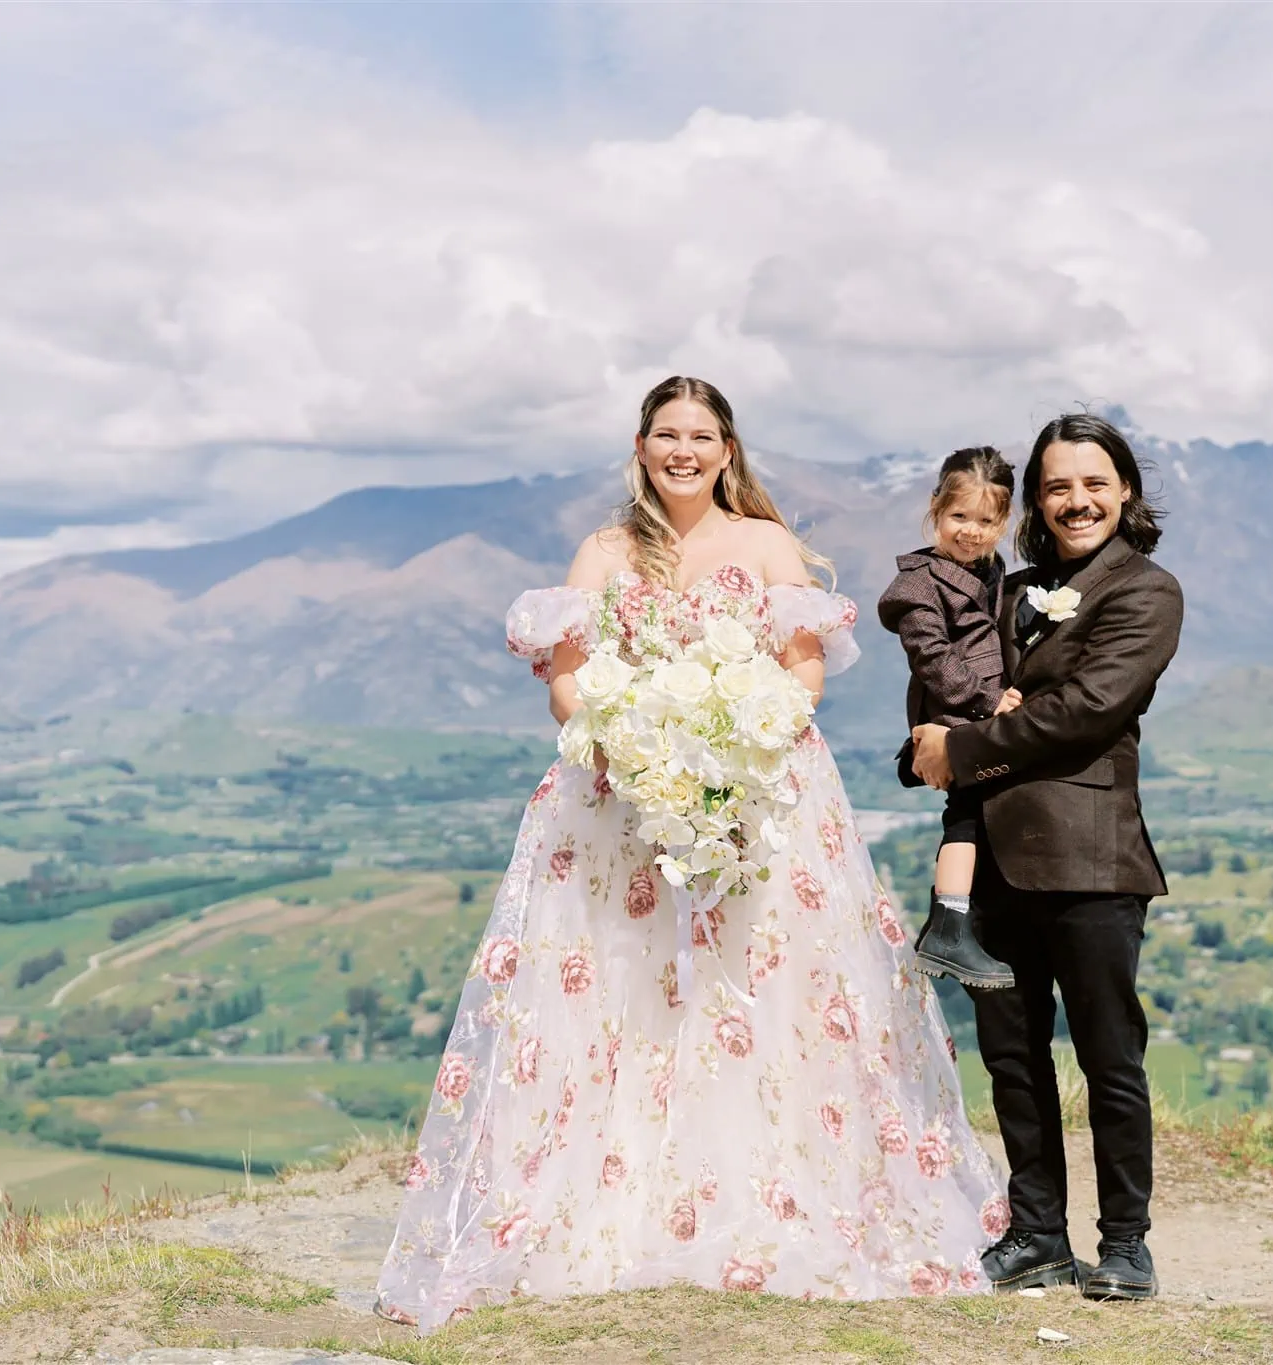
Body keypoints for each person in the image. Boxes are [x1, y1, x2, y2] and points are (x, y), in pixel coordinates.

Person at [376, 377, 1006, 1330]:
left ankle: (767, 1186)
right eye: (666, 434)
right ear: (639, 445)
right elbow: (566, 685)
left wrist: (731, 756)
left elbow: (802, 674)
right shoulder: (602, 551)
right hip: (618, 802)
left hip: (761, 799)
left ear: (727, 449)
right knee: (621, 990)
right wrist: (640, 743)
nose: (683, 450)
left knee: (760, 982)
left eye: (701, 435)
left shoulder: (763, 543)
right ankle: (615, 1199)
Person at [909, 413, 1183, 1302]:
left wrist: (968, 746)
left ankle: (1126, 1241)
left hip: (1092, 862)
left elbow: (1087, 710)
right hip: (990, 859)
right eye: (1058, 486)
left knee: (1110, 1056)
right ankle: (1036, 1234)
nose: (1076, 500)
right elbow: (950, 675)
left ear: (1125, 490)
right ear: (1037, 500)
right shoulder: (1004, 586)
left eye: (1093, 482)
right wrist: (927, 746)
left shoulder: (1146, 593)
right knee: (1012, 1060)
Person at [876, 448, 1024, 990]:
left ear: (1003, 523)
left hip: (980, 714)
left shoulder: (991, 571)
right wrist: (987, 702)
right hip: (956, 714)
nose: (971, 532)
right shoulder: (919, 583)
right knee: (965, 813)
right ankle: (948, 926)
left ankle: (953, 923)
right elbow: (932, 658)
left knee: (974, 815)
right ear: (935, 510)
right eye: (959, 517)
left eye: (986, 521)